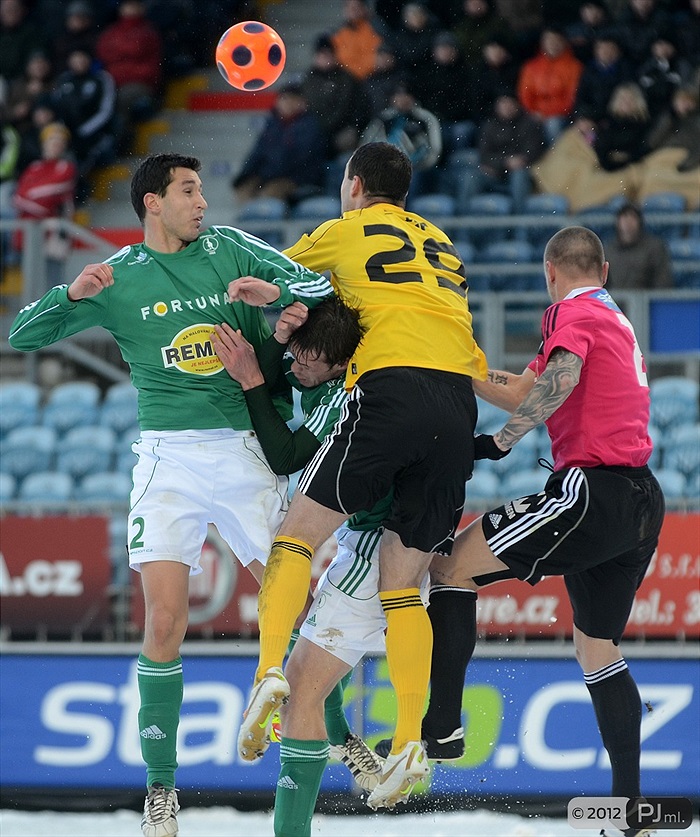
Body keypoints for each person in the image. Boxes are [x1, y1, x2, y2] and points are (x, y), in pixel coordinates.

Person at [8, 152, 334, 837]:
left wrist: (273, 295)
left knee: (301, 609)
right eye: (188, 190)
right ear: (152, 203)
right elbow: (22, 334)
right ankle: (161, 790)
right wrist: (72, 296)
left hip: (245, 451)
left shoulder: (232, 248)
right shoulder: (118, 276)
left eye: (201, 189)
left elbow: (320, 289)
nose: (202, 202)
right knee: (163, 623)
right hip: (168, 458)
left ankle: (342, 736)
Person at [231, 141, 487, 811]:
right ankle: (405, 743)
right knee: (403, 587)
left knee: (295, 538)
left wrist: (264, 295)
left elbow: (284, 276)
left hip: (390, 389)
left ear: (353, 185)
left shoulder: (345, 230)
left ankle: (267, 672)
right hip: (458, 403)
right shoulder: (442, 245)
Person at [429, 225, 665, 830]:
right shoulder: (612, 318)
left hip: (591, 491)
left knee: (451, 566)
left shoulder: (570, 312)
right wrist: (457, 369)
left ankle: (442, 727)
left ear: (549, 272)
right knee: (597, 648)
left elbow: (558, 381)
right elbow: (528, 388)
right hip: (642, 499)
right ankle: (630, 808)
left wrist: (500, 442)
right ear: (605, 271)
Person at [231, 82, 327, 207]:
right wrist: (244, 176)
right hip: (271, 175)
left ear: (302, 103)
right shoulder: (272, 125)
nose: (287, 104)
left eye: (292, 99)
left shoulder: (310, 126)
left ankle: (268, 218)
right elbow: (257, 153)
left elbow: (301, 158)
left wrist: (270, 174)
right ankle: (248, 217)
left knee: (269, 194)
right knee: (244, 189)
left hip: (298, 178)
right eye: (283, 99)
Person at [360, 81, 442, 197]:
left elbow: (435, 151)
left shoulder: (425, 119)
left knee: (410, 179)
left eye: (406, 94)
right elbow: (365, 147)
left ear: (413, 97)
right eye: (398, 95)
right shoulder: (383, 119)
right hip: (385, 169)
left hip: (419, 169)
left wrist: (413, 166)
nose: (402, 99)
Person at [517, 27, 583, 145]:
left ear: (564, 42)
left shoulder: (574, 67)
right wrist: (534, 111)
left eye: (557, 40)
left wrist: (547, 113)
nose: (553, 44)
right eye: (549, 40)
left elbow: (572, 97)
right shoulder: (531, 66)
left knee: (553, 124)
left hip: (562, 115)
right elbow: (525, 93)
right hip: (535, 113)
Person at [604, 202, 673, 289]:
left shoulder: (654, 248)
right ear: (618, 222)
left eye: (633, 217)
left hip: (645, 297)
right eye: (624, 217)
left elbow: (663, 281)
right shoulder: (608, 249)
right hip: (614, 296)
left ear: (640, 222)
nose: (628, 222)